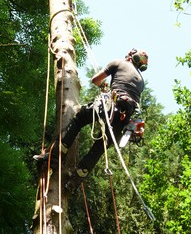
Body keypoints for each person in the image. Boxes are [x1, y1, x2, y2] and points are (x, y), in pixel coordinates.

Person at [34, 48, 148, 193]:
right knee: (99, 149)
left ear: (131, 56)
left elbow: (96, 80)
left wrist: (103, 86)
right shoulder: (141, 81)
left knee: (79, 118)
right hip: (123, 119)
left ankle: (55, 157)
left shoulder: (118, 62)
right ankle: (74, 182)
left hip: (110, 106)